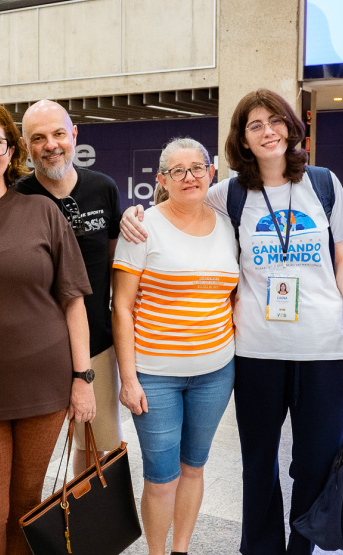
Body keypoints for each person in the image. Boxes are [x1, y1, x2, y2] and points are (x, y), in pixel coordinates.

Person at [120, 89, 343, 555]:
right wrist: (132, 214)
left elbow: (341, 261)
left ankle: (300, 547)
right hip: (256, 351)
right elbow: (178, 204)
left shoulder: (324, 184)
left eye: (275, 121)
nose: (267, 132)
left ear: (292, 127)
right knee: (258, 463)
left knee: (316, 462)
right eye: (254, 125)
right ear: (242, 138)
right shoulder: (228, 193)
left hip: (324, 348)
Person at [0, 102, 95, 555]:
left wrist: (83, 380)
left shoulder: (43, 213)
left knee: (26, 506)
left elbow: (73, 301)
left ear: (11, 152)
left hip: (43, 387)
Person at [112, 137, 238, 555]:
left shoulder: (227, 225)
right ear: (162, 179)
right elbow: (123, 307)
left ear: (211, 172)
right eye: (177, 171)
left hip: (216, 372)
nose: (189, 177)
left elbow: (232, 295)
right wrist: (128, 379)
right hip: (155, 375)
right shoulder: (142, 225)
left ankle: (180, 550)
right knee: (161, 476)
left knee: (194, 467)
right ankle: (156, 552)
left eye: (197, 168)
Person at [16, 99, 123, 475]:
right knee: (31, 456)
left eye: (59, 133)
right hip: (37, 350)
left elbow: (116, 263)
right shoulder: (17, 197)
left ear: (74, 135)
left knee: (95, 445)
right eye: (39, 137)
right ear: (26, 146)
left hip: (95, 343)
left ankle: (77, 530)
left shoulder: (104, 189)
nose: (51, 144)